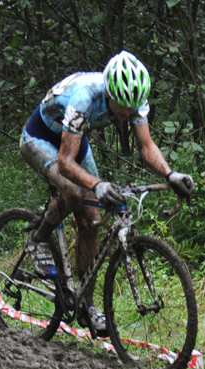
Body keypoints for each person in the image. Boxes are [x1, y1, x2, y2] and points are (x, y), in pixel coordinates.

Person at [19, 51, 195, 336]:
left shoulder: (134, 99)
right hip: (40, 138)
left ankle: (86, 304)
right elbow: (65, 162)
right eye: (121, 106)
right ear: (109, 92)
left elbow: (146, 145)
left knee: (92, 220)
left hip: (75, 137)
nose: (126, 113)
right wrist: (97, 184)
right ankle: (38, 238)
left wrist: (170, 174)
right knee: (75, 193)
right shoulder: (84, 98)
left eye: (131, 107)